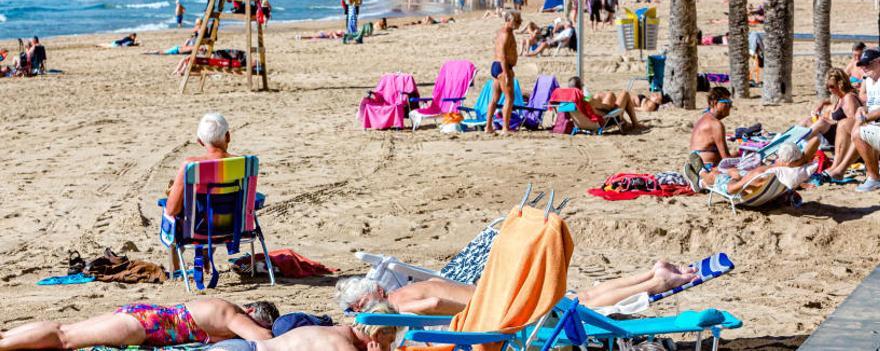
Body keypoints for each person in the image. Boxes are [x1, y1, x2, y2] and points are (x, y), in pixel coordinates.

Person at [337, 261, 698, 318]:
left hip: (506, 307)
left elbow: (433, 302)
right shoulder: (413, 283)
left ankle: (658, 281)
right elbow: (436, 290)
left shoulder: (400, 302)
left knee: (580, 308)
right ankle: (649, 274)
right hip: (500, 289)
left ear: (368, 299)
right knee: (580, 297)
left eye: (358, 309)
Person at [0, 299, 277, 350]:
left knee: (66, 330)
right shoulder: (233, 313)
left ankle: (6, 337)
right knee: (65, 338)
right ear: (251, 310)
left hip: (146, 317)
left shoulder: (223, 309)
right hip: (148, 325)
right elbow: (264, 339)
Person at [209, 303, 399, 351]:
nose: (389, 348)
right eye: (389, 341)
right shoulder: (340, 343)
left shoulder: (337, 332)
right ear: (378, 331)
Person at [164, 113, 234, 220]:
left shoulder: (191, 166)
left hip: (200, 229)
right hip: (235, 227)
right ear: (228, 136)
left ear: (200, 141)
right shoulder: (246, 163)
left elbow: (172, 210)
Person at [691, 141, 817, 195]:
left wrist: (734, 175)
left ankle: (700, 178)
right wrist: (802, 160)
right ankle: (702, 175)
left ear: (783, 159)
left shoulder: (763, 172)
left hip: (743, 188)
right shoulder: (796, 169)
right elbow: (815, 140)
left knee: (716, 174)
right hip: (758, 184)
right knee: (723, 170)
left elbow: (732, 189)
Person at [803, 68, 862, 180]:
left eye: (832, 87)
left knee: (821, 122)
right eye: (828, 87)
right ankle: (791, 140)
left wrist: (830, 121)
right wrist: (822, 103)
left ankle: (799, 143)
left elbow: (853, 122)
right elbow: (830, 101)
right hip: (835, 136)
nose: (830, 90)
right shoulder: (839, 97)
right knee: (807, 120)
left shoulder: (849, 98)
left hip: (846, 139)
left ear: (840, 84)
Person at [848, 49, 880, 192]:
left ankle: (873, 178)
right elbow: (868, 102)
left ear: (878, 62)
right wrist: (863, 109)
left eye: (868, 64)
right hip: (874, 123)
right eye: (862, 65)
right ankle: (838, 168)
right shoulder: (868, 80)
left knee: (857, 133)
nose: (864, 68)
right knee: (846, 127)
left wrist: (865, 116)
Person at [486, 10, 521, 133]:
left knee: (495, 98)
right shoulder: (506, 34)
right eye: (516, 21)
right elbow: (502, 54)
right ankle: (505, 128)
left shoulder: (505, 31)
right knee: (509, 98)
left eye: (519, 21)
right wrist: (506, 73)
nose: (519, 23)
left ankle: (488, 127)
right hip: (502, 67)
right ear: (508, 20)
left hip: (497, 66)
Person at [567, 77, 643, 129]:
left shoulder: (568, 100)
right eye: (582, 85)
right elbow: (607, 108)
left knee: (607, 95)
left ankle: (625, 122)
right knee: (625, 94)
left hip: (583, 124)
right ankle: (635, 124)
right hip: (606, 121)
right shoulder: (587, 99)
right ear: (581, 87)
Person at [688, 87, 734, 169]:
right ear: (715, 103)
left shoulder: (705, 118)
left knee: (738, 154)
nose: (730, 106)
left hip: (697, 164)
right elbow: (726, 158)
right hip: (708, 167)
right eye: (727, 102)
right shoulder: (715, 124)